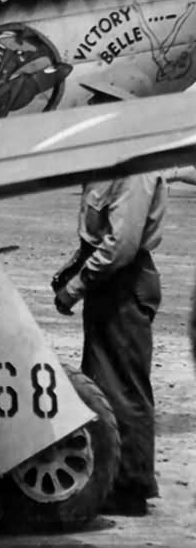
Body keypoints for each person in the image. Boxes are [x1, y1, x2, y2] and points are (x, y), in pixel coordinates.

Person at [52, 169, 165, 515]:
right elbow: (96, 235)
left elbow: (121, 245)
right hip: (110, 283)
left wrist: (74, 288)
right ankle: (114, 480)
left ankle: (130, 487)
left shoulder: (135, 170)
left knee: (124, 389)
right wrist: (71, 269)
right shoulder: (112, 164)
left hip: (124, 284)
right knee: (104, 381)